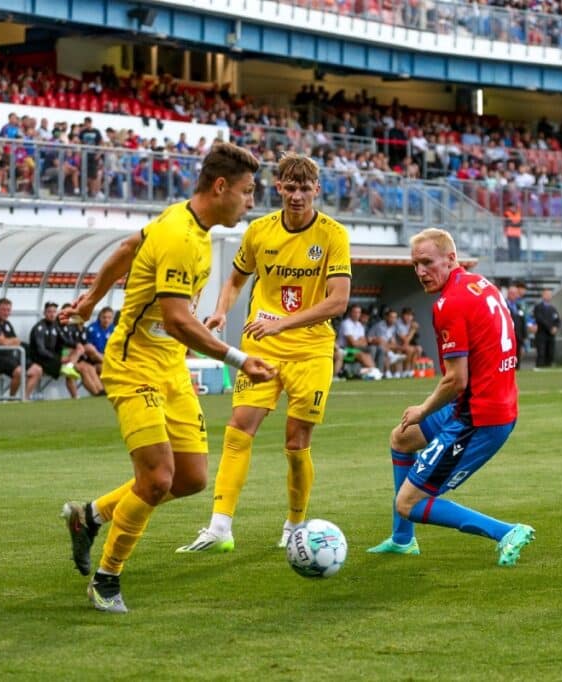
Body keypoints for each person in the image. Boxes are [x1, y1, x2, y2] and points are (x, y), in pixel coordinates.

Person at [57, 142, 275, 613]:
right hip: (134, 365)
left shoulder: (180, 222)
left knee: (192, 479)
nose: (250, 202)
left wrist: (93, 298)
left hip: (170, 367)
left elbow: (128, 248)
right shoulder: (179, 235)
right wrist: (240, 360)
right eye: (247, 191)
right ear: (221, 187)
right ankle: (106, 579)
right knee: (156, 479)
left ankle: (90, 517)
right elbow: (177, 320)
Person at [175, 152, 350, 554]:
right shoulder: (259, 231)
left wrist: (282, 323)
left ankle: (295, 524)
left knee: (295, 441)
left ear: (316, 190)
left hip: (311, 349)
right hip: (262, 345)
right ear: (279, 188)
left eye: (305, 188)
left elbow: (337, 302)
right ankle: (219, 528)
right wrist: (220, 310)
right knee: (239, 427)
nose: (296, 195)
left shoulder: (333, 235)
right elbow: (236, 279)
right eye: (289, 187)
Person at [366, 228, 534, 565]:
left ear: (451, 258)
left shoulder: (449, 303)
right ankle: (402, 540)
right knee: (401, 438)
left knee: (409, 503)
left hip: (480, 417)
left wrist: (422, 409)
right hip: (483, 402)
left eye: (427, 262)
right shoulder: (482, 284)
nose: (421, 272)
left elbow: (455, 380)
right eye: (415, 265)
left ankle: (506, 532)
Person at [0, 298, 42, 399]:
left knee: (37, 370)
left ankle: (25, 399)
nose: (6, 313)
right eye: (3, 310)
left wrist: (11, 341)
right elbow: (3, 343)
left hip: (8, 356)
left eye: (8, 310)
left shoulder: (7, 324)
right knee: (19, 371)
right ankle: (12, 399)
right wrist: (11, 341)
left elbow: (15, 342)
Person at [337, 304, 378, 378]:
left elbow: (364, 342)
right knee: (361, 355)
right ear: (350, 313)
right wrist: (358, 341)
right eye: (355, 312)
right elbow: (352, 343)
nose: (357, 314)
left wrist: (357, 342)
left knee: (367, 355)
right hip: (344, 349)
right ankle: (373, 372)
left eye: (359, 312)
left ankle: (372, 371)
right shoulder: (346, 323)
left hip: (354, 349)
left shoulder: (359, 325)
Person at [82, 306, 115, 373]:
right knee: (90, 348)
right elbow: (90, 351)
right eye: (104, 317)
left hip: (106, 358)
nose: (106, 320)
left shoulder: (114, 329)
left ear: (112, 319)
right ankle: (111, 365)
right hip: (93, 359)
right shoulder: (92, 328)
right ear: (100, 317)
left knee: (104, 369)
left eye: (109, 318)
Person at [533, 288, 560, 368]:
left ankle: (548, 368)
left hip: (551, 335)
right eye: (547, 294)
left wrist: (556, 327)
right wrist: (550, 328)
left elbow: (557, 320)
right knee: (541, 353)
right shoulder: (538, 307)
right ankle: (539, 369)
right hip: (541, 334)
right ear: (543, 295)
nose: (548, 296)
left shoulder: (553, 308)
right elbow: (540, 319)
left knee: (550, 353)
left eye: (550, 295)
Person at [505, 284, 527, 370]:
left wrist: (524, 336)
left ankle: (517, 369)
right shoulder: (504, 305)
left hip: (518, 335)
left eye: (514, 293)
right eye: (511, 293)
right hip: (508, 336)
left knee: (518, 354)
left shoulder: (519, 306)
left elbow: (523, 322)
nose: (513, 295)